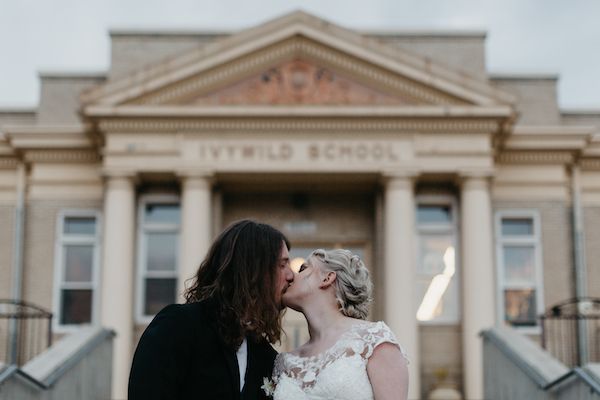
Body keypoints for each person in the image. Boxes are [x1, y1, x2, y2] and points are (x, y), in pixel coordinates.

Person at [128, 219, 294, 400]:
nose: (291, 275)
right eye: (282, 265)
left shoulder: (266, 356)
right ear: (253, 269)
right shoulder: (178, 326)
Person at [269, 249, 409, 400]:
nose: (291, 277)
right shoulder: (284, 362)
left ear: (327, 278)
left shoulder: (373, 341)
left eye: (304, 268)